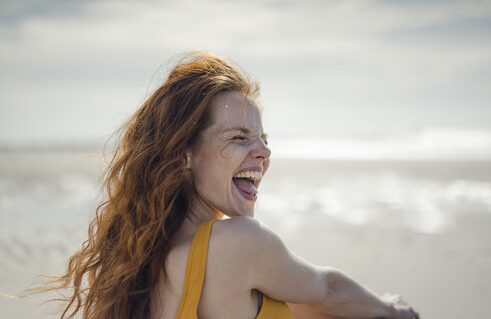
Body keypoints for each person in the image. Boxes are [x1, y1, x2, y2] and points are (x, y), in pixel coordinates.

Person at [46, 52, 419, 319]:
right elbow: (330, 290)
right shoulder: (239, 243)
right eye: (240, 138)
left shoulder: (142, 261)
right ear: (183, 155)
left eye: (263, 137)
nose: (264, 151)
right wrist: (395, 311)